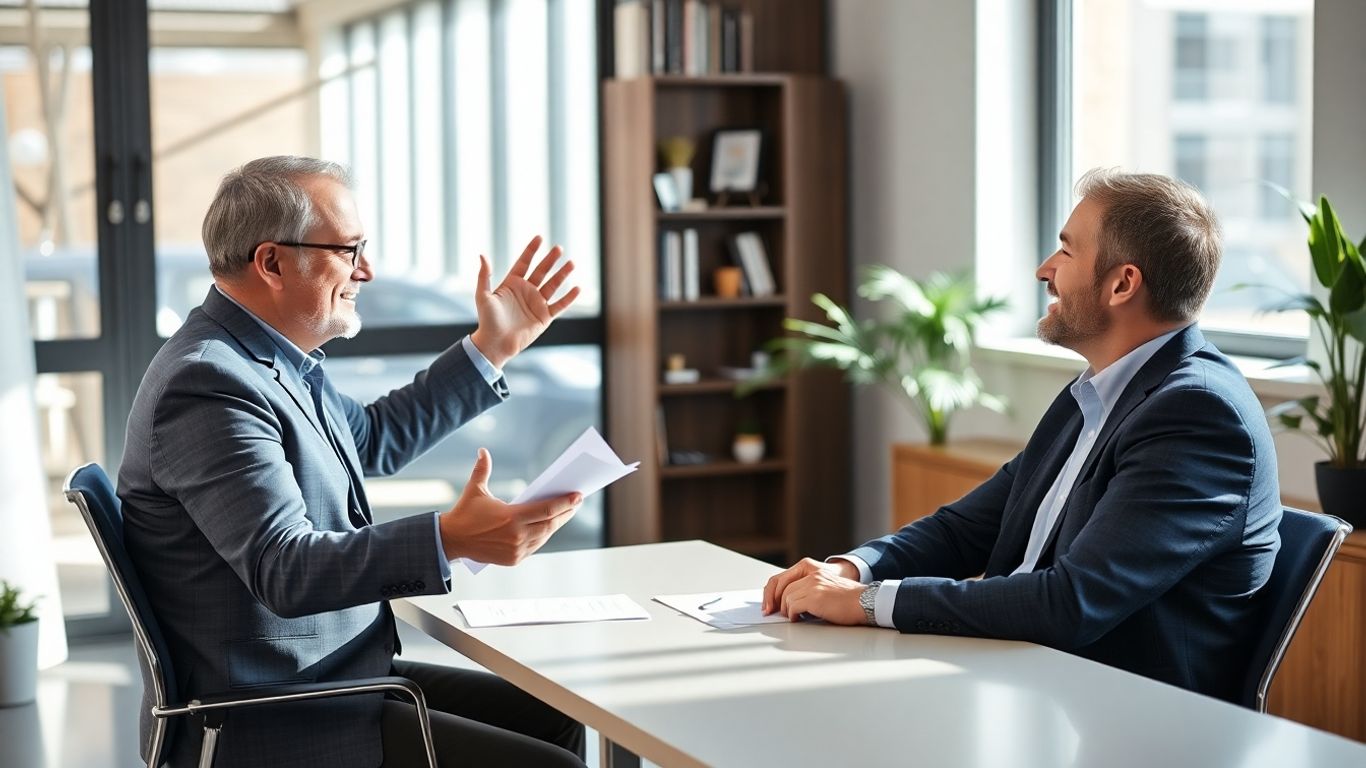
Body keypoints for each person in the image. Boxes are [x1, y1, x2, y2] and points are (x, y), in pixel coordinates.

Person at [119, 156, 587, 767]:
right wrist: (448, 538)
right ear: (272, 262)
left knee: (553, 716)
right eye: (349, 249)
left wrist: (491, 347)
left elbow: (370, 437)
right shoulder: (209, 382)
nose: (367, 269)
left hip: (330, 674)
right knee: (551, 764)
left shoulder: (267, 357)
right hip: (274, 713)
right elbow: (285, 568)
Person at [762, 169, 1281, 703]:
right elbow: (966, 530)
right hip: (1027, 680)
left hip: (1127, 717)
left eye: (1066, 251)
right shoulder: (1097, 393)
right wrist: (852, 568)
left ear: (1122, 284)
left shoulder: (1197, 415)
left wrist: (867, 602)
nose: (1044, 270)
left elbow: (1071, 603)